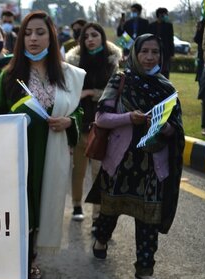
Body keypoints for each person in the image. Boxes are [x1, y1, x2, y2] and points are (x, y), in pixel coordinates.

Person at [0, 11, 85, 279]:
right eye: (27, 33)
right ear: (20, 39)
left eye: (40, 32)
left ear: (51, 36)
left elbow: (79, 112)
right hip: (18, 154)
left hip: (52, 154)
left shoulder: (68, 75)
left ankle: (30, 261)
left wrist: (70, 123)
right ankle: (24, 278)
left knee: (40, 209)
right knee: (22, 210)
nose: (33, 38)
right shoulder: (8, 76)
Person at [91, 34, 184, 279]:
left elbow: (177, 126)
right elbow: (101, 118)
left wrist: (167, 130)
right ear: (135, 53)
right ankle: (101, 239)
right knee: (110, 209)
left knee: (149, 219)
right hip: (121, 160)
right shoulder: (120, 79)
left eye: (155, 52)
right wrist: (127, 117)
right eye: (145, 51)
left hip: (153, 165)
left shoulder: (166, 88)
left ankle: (145, 269)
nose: (150, 57)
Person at [65, 23, 122, 228]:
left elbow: (114, 91)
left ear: (102, 37)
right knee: (78, 169)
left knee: (99, 172)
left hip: (102, 124)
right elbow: (70, 92)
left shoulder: (111, 61)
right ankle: (77, 205)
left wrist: (90, 93)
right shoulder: (74, 63)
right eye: (86, 36)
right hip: (79, 121)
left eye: (94, 35)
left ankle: (98, 215)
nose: (90, 39)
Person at [148, 8, 174, 78]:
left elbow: (171, 40)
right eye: (165, 14)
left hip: (165, 53)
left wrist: (171, 53)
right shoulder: (151, 26)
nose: (166, 16)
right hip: (154, 51)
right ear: (160, 15)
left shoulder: (169, 25)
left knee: (165, 71)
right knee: (153, 70)